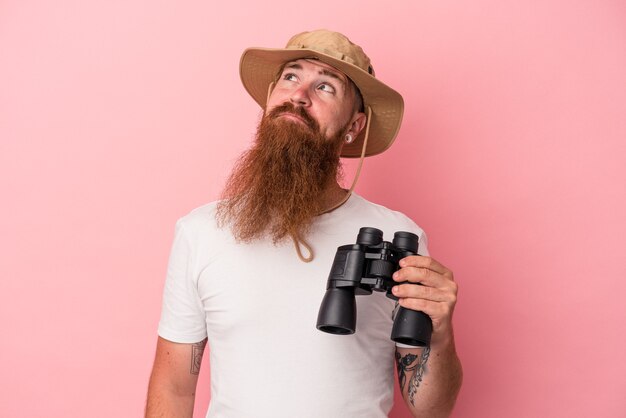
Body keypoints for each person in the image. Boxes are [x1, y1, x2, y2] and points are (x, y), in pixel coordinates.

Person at [146, 29, 462, 418]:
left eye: (326, 87)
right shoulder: (201, 231)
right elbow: (174, 388)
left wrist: (442, 336)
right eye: (290, 77)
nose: (299, 95)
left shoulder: (400, 239)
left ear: (354, 126)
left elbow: (431, 409)